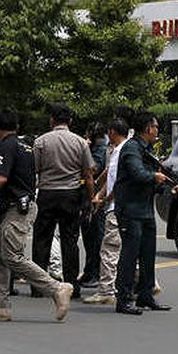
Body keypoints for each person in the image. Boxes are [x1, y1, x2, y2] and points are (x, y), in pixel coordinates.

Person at [0, 110, 73, 322]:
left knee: (12, 256)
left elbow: (0, 178)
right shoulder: (25, 146)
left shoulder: (6, 145)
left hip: (17, 209)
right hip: (15, 207)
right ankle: (0, 306)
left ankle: (57, 288)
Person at [113, 111, 177, 316]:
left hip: (145, 209)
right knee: (129, 255)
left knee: (148, 255)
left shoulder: (148, 149)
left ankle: (146, 295)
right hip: (130, 209)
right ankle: (123, 299)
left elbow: (150, 182)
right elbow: (137, 174)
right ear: (148, 128)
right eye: (156, 126)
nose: (157, 130)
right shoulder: (131, 148)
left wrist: (167, 187)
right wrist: (156, 177)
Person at [31, 103, 95, 299]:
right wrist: (90, 200)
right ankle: (72, 285)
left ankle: (39, 285)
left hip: (47, 193)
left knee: (42, 240)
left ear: (51, 120)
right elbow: (89, 173)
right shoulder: (80, 142)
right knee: (70, 240)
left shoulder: (41, 141)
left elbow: (35, 169)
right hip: (71, 194)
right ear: (70, 121)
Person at [83, 118, 129, 305]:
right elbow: (108, 175)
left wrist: (104, 200)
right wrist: (98, 192)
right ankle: (147, 283)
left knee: (109, 249)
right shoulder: (121, 150)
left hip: (116, 207)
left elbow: (118, 182)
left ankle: (106, 291)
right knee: (126, 248)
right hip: (125, 207)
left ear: (111, 132)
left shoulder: (120, 152)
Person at [79, 123, 108, 288]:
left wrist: (85, 149)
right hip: (92, 196)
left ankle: (95, 273)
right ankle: (90, 270)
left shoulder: (99, 149)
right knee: (91, 236)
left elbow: (93, 169)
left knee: (95, 237)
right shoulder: (100, 147)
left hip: (94, 197)